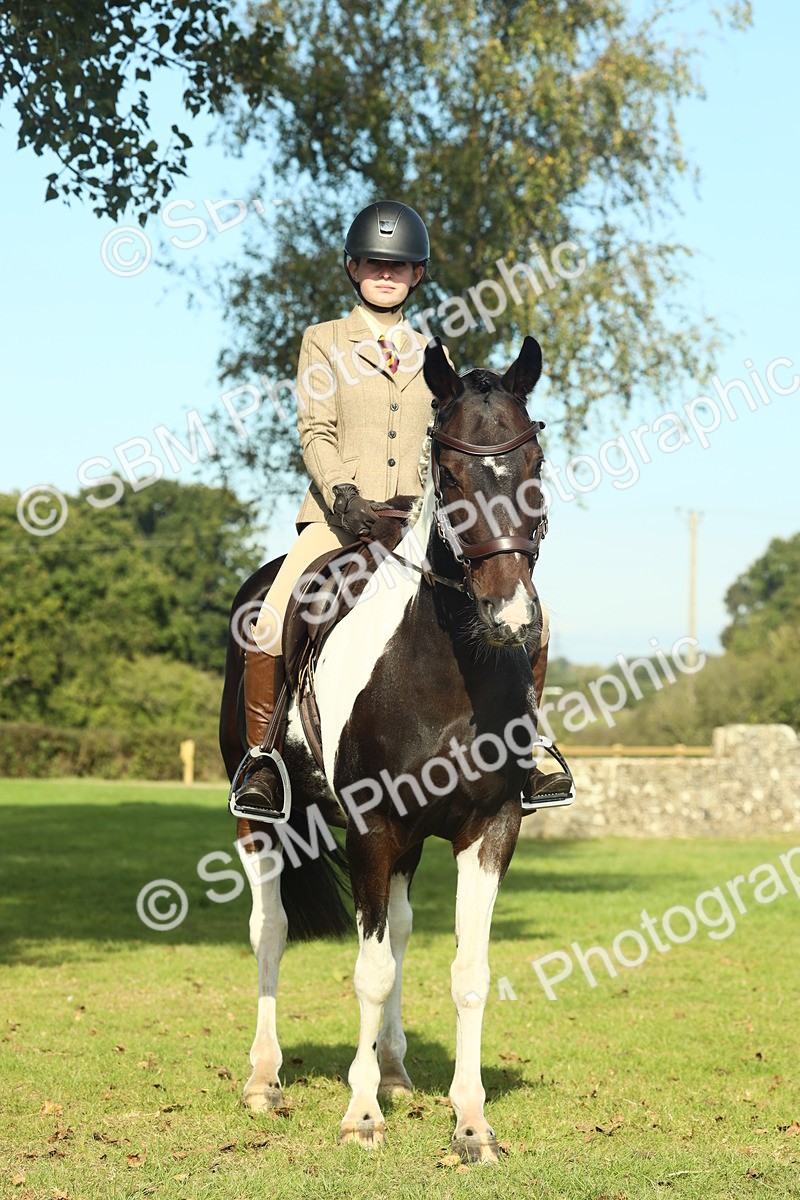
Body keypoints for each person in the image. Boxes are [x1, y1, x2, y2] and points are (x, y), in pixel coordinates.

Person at [228, 200, 572, 819]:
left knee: (530, 613)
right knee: (267, 618)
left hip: (416, 523)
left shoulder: (430, 353)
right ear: (353, 268)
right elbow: (316, 431)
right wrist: (340, 493)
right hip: (339, 519)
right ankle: (262, 760)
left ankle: (534, 744)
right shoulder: (324, 342)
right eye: (374, 264)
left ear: (416, 275)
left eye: (399, 266)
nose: (385, 275)